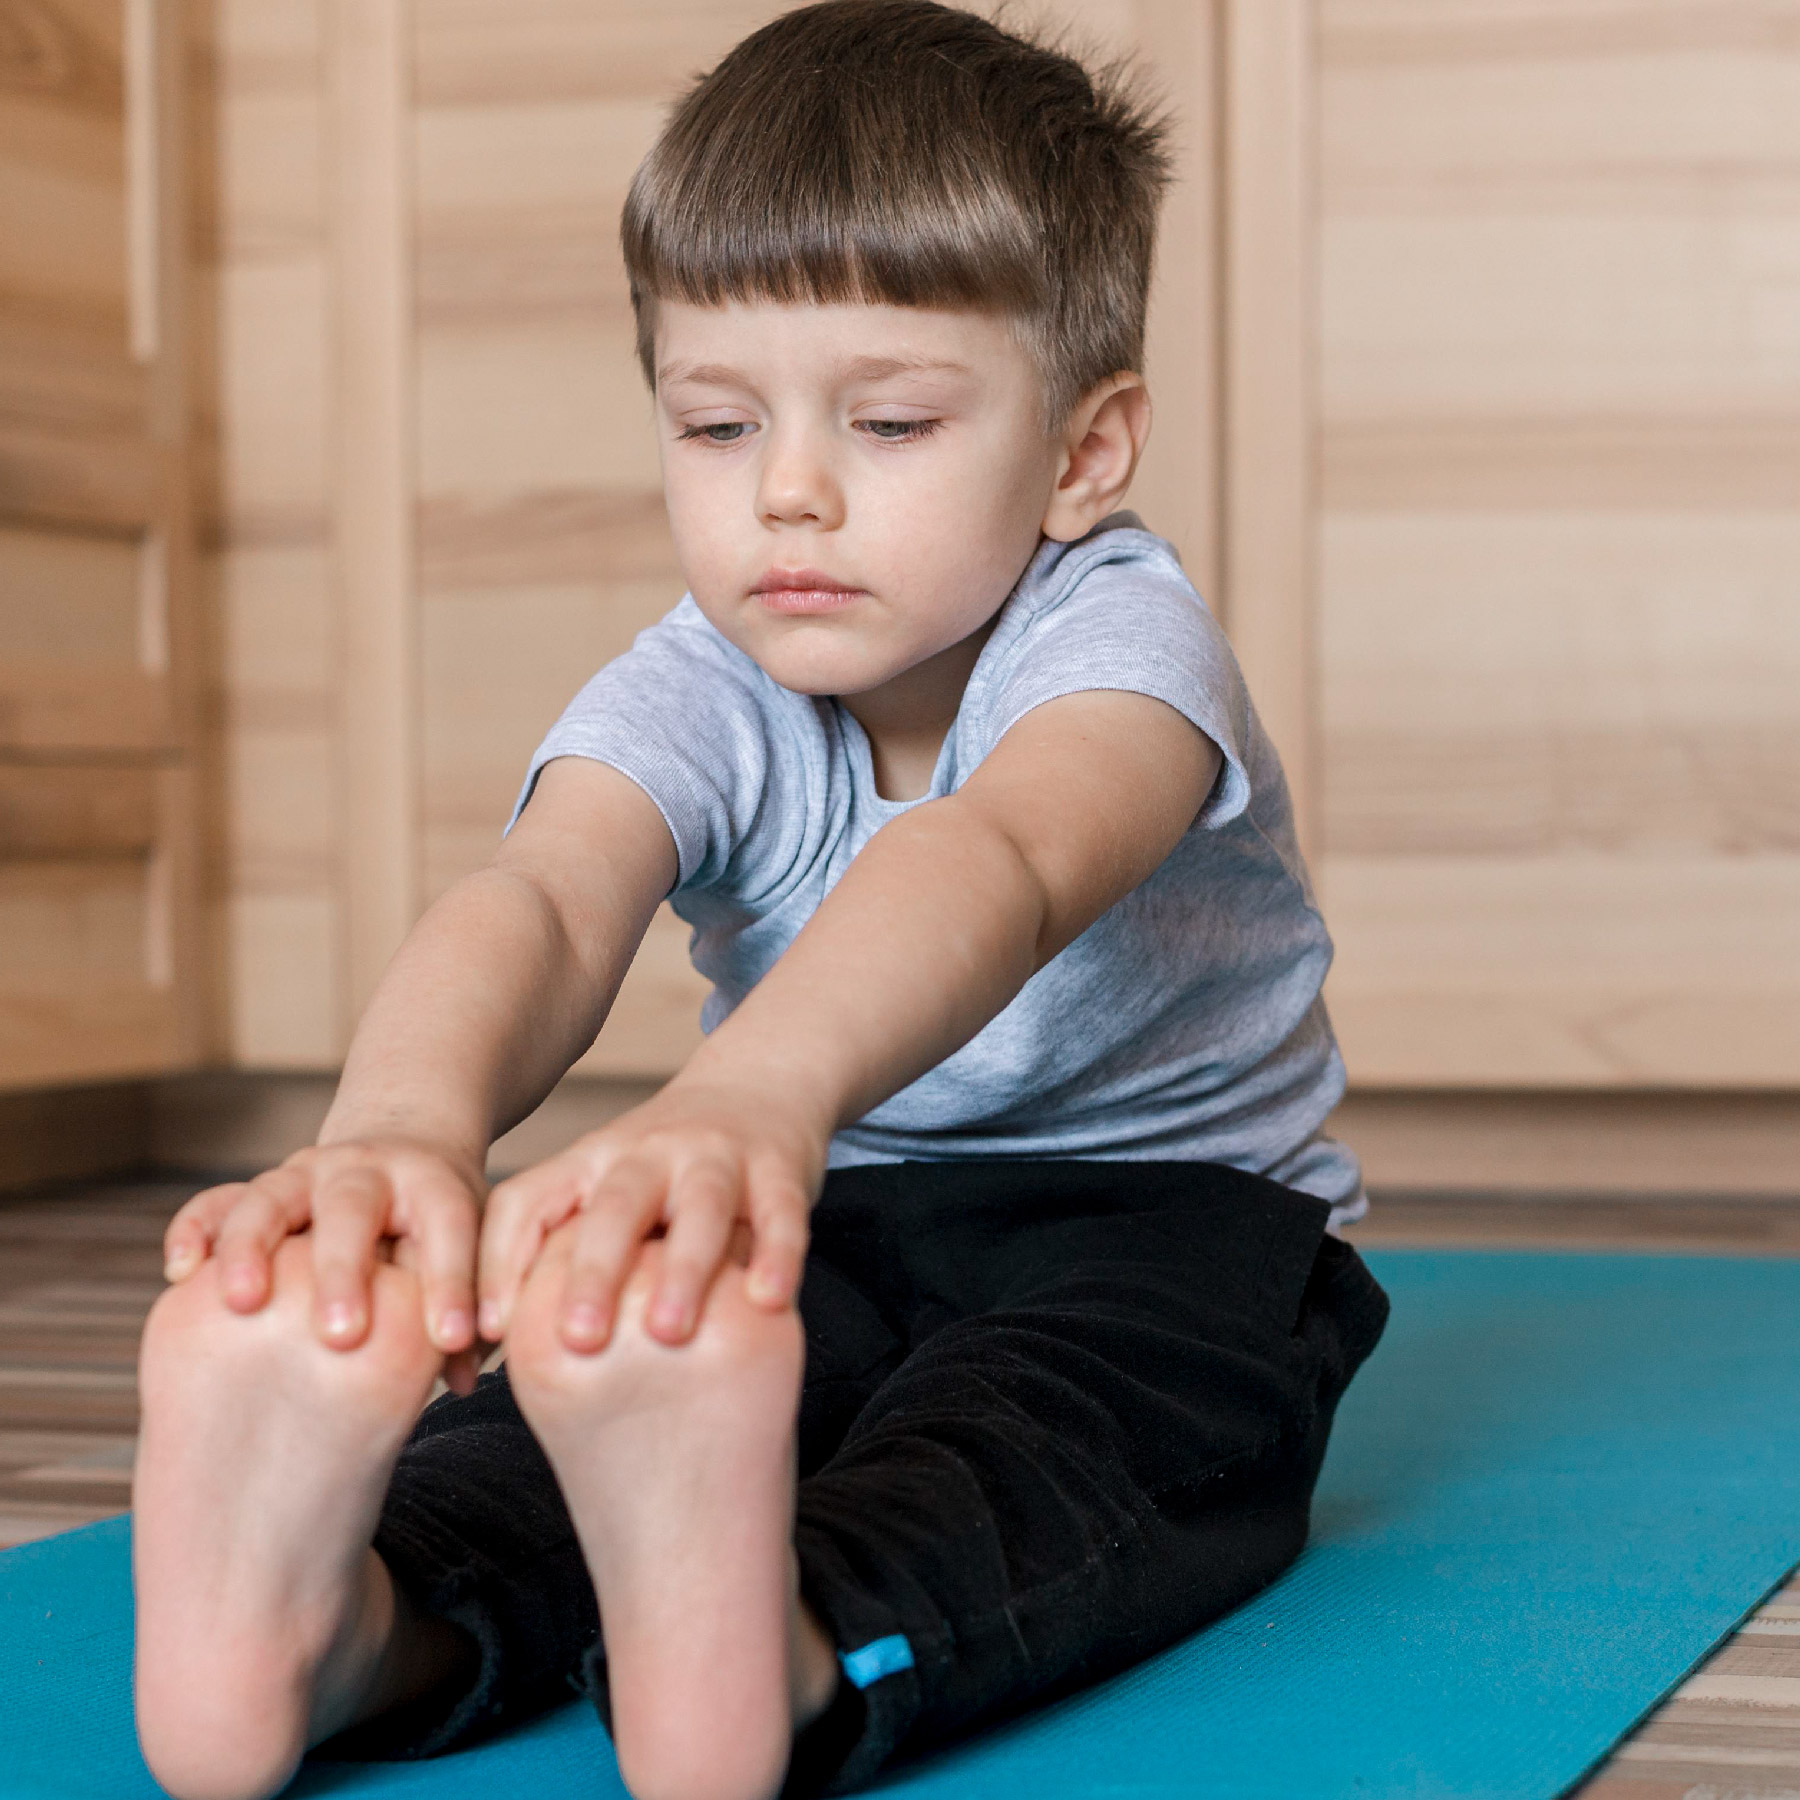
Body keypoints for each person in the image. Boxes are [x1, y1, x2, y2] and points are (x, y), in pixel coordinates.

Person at [129, 4, 1389, 1797]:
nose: (787, 490)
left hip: (1165, 1225)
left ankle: (766, 1639)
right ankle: (351, 1624)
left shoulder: (1121, 644)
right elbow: (552, 900)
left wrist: (746, 1101)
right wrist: (396, 1133)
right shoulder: (700, 682)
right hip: (834, 1217)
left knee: (1057, 1437)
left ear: (1083, 453)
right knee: (596, 1398)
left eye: (886, 420)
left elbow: (1001, 861)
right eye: (715, 424)